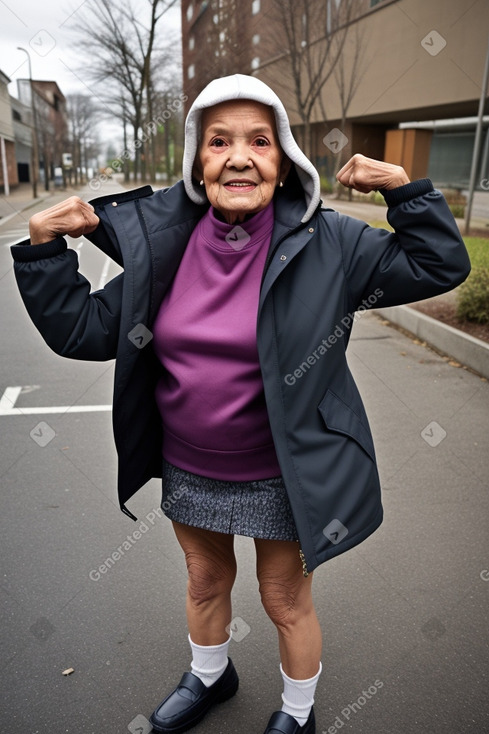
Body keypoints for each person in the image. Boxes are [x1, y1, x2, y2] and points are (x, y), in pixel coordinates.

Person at [11, 74, 470, 734]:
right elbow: (84, 330)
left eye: (259, 140)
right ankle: (208, 674)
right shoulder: (162, 247)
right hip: (190, 463)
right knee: (204, 580)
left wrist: (403, 188)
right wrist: (44, 250)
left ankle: (298, 712)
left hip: (286, 471)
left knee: (283, 599)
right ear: (198, 160)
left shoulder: (330, 241)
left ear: (282, 158)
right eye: (218, 140)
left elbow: (436, 266)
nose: (238, 156)